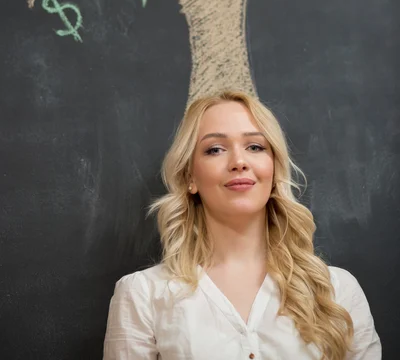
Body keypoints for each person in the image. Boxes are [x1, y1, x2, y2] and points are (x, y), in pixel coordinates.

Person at [102, 90, 381, 360]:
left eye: (255, 147)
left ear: (273, 169)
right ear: (191, 177)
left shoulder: (337, 291)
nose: (238, 161)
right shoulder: (143, 295)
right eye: (215, 149)